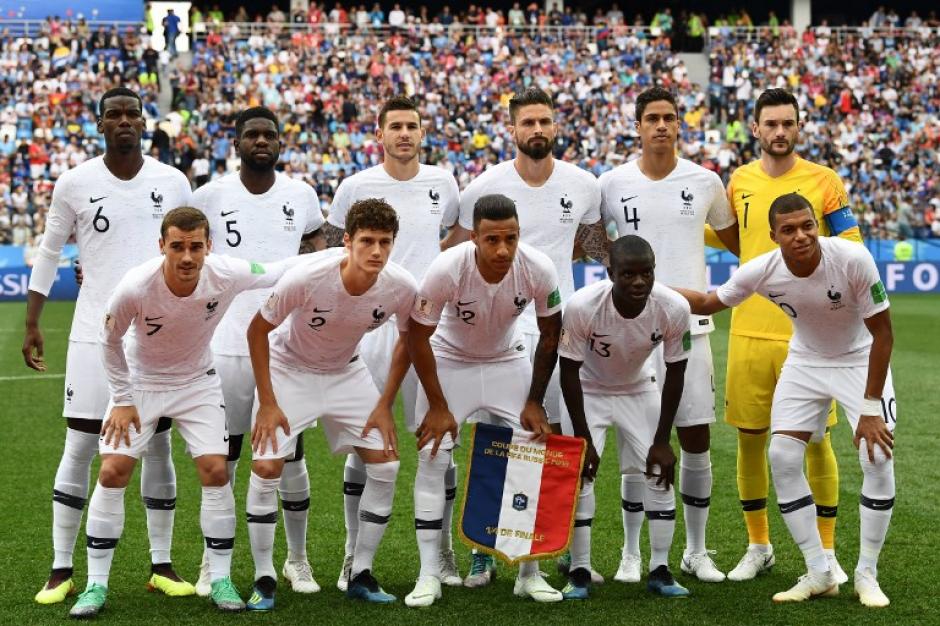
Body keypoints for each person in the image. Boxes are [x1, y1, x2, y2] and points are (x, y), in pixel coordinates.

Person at [68, 206, 304, 617]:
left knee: (215, 469)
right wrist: (122, 399)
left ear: (209, 246)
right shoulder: (135, 286)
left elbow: (278, 269)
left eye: (196, 246)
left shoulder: (226, 272)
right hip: (141, 383)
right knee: (112, 471)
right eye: (177, 246)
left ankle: (220, 578)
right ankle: (95, 586)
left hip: (197, 382)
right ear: (162, 246)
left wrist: (343, 254)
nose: (187, 257)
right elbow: (108, 342)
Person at [678, 193, 896, 607]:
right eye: (790, 230)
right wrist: (653, 286)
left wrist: (870, 408)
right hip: (806, 361)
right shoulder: (761, 270)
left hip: (859, 359)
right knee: (781, 457)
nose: (801, 236)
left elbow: (883, 334)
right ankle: (819, 571)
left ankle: (867, 573)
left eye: (808, 225)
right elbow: (709, 303)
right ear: (774, 235)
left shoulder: (852, 258)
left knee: (878, 457)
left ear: (817, 224)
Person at [24, 87, 194, 605]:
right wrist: (32, 321)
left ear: (144, 122)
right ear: (100, 124)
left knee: (159, 443)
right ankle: (60, 568)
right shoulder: (75, 182)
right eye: (113, 114)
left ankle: (161, 564)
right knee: (80, 444)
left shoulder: (173, 181)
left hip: (157, 335)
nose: (123, 121)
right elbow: (51, 252)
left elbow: (186, 251)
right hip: (92, 333)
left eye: (131, 114)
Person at [443, 87, 607, 585]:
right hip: (501, 336)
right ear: (511, 128)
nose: (537, 129)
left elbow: (589, 244)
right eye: (528, 122)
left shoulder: (583, 185)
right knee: (495, 441)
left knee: (557, 438)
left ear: (556, 126)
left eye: (545, 121)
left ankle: (561, 549)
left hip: (561, 328)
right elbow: (455, 252)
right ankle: (483, 549)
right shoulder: (482, 188)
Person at [319, 96, 461, 591]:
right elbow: (336, 247)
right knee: (366, 444)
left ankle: (442, 555)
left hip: (431, 330)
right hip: (371, 330)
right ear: (378, 133)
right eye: (395, 126)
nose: (404, 133)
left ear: (422, 133)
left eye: (412, 126)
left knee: (438, 444)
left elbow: (458, 237)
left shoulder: (443, 182)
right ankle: (352, 556)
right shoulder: (355, 186)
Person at [245, 199, 417, 608]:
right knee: (267, 466)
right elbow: (257, 331)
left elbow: (411, 339)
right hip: (290, 370)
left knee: (387, 463)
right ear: (347, 241)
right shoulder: (306, 277)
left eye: (385, 242)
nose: (376, 251)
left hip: (347, 372)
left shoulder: (401, 286)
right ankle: (265, 576)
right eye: (367, 241)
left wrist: (384, 404)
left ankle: (360, 571)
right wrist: (268, 402)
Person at [598, 86, 738, 584]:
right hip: (628, 334)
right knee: (634, 445)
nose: (661, 125)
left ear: (680, 125)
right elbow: (595, 242)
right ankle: (631, 553)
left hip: (691, 328)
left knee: (695, 438)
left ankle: (696, 551)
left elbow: (738, 240)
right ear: (637, 125)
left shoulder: (705, 181)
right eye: (652, 118)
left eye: (669, 117)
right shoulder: (612, 183)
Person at [721, 88, 862, 582]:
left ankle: (826, 555)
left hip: (813, 338)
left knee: (818, 442)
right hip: (750, 333)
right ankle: (758, 545)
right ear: (755, 129)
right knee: (751, 440)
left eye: (788, 123)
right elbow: (734, 239)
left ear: (798, 127)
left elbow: (851, 247)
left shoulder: (825, 182)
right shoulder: (737, 181)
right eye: (771, 124)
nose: (780, 132)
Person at [191, 106, 326, 597]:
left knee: (289, 457)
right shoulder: (209, 195)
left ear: (280, 142)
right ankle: (213, 564)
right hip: (224, 342)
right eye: (253, 134)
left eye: (270, 133)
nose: (262, 141)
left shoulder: (302, 195)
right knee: (221, 458)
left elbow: (318, 255)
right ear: (237, 141)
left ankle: (298, 560)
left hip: (285, 345)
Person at [405, 194, 563, 606]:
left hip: (506, 360)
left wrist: (535, 400)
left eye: (510, 238)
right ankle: (429, 574)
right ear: (474, 237)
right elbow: (417, 335)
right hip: (450, 360)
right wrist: (438, 406)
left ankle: (529, 573)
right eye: (492, 240)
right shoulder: (446, 268)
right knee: (432, 455)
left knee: (531, 449)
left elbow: (550, 335)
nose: (503, 249)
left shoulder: (538, 267)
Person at [559, 235, 692, 599]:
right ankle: (580, 571)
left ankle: (660, 569)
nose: (638, 282)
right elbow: (568, 371)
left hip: (639, 388)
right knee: (580, 478)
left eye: (646, 273)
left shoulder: (673, 307)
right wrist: (583, 440)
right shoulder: (582, 306)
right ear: (610, 273)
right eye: (628, 274)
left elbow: (676, 372)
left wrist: (663, 440)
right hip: (588, 388)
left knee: (659, 473)